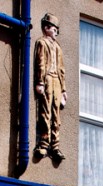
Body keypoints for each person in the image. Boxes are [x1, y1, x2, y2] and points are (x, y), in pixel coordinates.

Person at [33, 13, 67, 161]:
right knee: (45, 111)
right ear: (47, 28)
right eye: (54, 29)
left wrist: (63, 89)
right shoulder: (42, 43)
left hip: (57, 81)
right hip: (47, 78)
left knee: (56, 113)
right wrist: (40, 81)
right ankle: (44, 143)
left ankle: (55, 145)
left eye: (56, 30)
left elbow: (62, 69)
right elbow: (40, 63)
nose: (56, 33)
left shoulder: (58, 47)